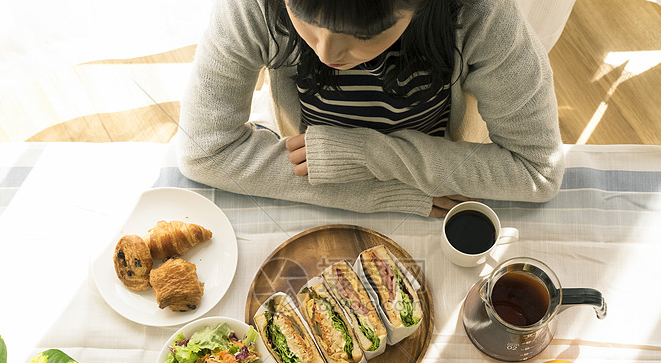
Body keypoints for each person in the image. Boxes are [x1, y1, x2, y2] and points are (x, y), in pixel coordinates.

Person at [177, 0, 564, 218]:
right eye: (304, 19)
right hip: (397, 179)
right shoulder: (252, 6)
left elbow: (538, 169)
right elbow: (204, 151)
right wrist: (390, 192)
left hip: (433, 152)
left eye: (363, 36)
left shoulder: (482, 14)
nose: (326, 52)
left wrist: (365, 154)